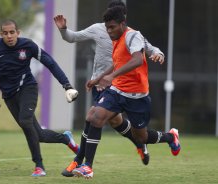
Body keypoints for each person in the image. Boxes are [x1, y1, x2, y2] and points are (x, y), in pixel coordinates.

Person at [54, 0, 164, 177]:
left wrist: (159, 54)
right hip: (105, 85)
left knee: (111, 122)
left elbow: (148, 51)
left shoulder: (130, 35)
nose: (109, 30)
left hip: (126, 88)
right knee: (96, 117)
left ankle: (140, 142)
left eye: (115, 22)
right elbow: (72, 37)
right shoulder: (100, 29)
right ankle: (82, 162)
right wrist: (63, 29)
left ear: (123, 19)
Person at [0, 19, 80, 177]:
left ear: (18, 32)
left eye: (12, 32)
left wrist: (67, 86)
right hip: (9, 96)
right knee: (39, 134)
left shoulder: (28, 45)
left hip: (27, 88)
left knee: (25, 121)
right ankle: (65, 138)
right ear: (1, 34)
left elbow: (50, 63)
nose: (9, 36)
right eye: (5, 33)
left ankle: (39, 165)